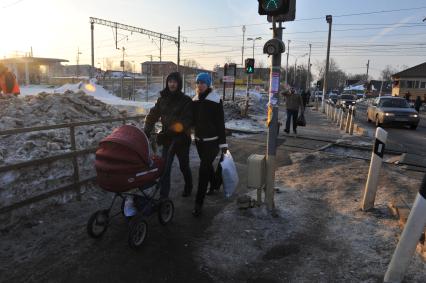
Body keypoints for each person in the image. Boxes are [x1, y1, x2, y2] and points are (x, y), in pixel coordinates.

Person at [143, 72, 193, 199]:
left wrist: (169, 132)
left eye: (174, 82)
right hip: (167, 140)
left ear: (179, 84)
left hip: (181, 140)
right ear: (167, 83)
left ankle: (189, 185)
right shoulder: (162, 99)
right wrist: (146, 130)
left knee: (184, 166)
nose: (172, 84)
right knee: (165, 169)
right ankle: (163, 197)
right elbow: (152, 115)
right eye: (170, 81)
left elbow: (185, 121)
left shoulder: (185, 100)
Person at [192, 72, 227, 217]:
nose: (200, 85)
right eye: (198, 83)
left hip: (212, 142)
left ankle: (198, 204)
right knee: (207, 168)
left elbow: (220, 123)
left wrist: (223, 144)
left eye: (203, 82)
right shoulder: (194, 101)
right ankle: (214, 184)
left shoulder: (215, 100)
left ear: (208, 84)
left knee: (203, 170)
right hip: (200, 142)